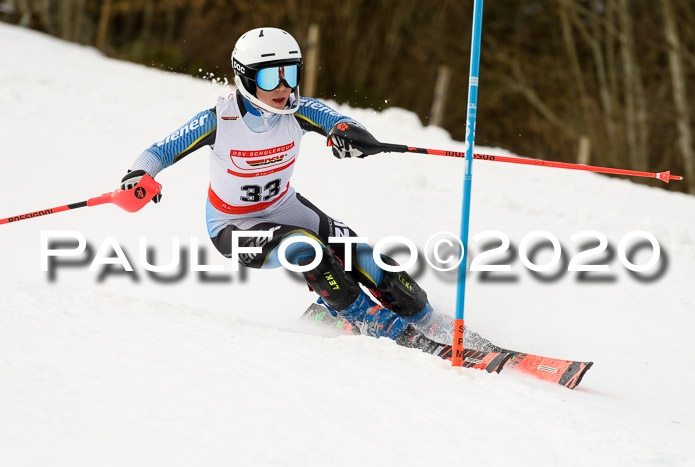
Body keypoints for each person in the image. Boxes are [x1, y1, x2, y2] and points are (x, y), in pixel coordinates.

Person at [120, 27, 451, 354]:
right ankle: (374, 324)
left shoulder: (298, 109)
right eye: (269, 79)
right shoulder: (219, 120)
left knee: (359, 252)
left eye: (290, 74)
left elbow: (341, 122)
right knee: (309, 249)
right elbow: (159, 152)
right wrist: (138, 177)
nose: (283, 88)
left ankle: (426, 318)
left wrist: (349, 136)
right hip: (233, 226)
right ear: (247, 79)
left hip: (283, 207)